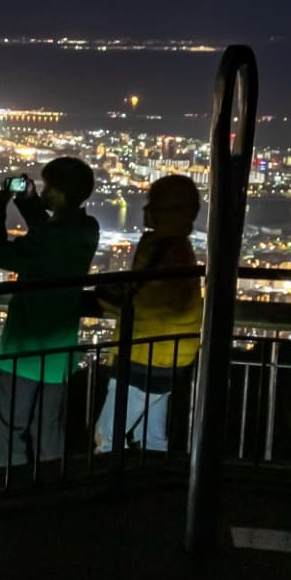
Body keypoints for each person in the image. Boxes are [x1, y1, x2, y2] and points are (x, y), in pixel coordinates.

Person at [0, 156, 100, 466]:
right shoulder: (88, 228)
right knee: (50, 434)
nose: (46, 192)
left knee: (11, 432)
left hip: (23, 347)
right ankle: (49, 495)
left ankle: (12, 494)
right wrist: (29, 201)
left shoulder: (52, 235)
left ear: (61, 191)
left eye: (49, 188)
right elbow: (51, 230)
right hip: (60, 352)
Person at [95, 175, 202, 453]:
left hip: (143, 355)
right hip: (173, 355)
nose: (146, 211)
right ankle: (154, 489)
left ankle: (106, 491)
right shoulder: (180, 248)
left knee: (106, 438)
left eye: (154, 205)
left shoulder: (162, 249)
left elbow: (145, 302)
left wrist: (108, 300)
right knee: (151, 438)